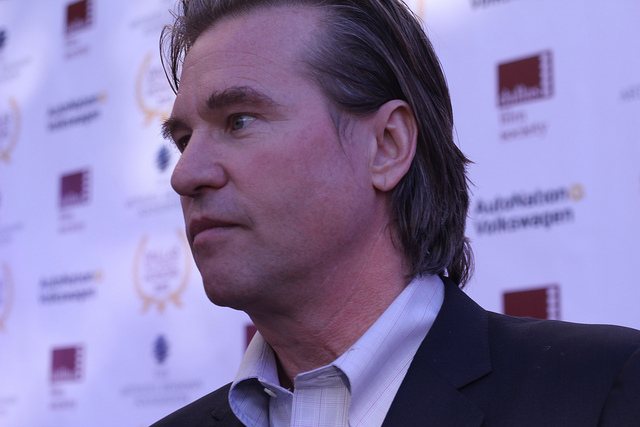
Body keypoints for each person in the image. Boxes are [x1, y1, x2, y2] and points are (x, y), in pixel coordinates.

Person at [152, 0, 640, 425]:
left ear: (387, 145)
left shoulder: (603, 391)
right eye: (184, 140)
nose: (184, 175)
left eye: (238, 121)